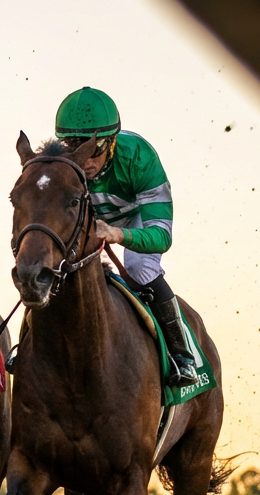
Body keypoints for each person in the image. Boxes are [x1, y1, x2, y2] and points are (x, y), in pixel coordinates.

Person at [54, 86, 199, 386]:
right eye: (73, 146)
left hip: (135, 217)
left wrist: (118, 234)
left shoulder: (140, 158)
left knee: (140, 268)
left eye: (93, 148)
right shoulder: (64, 167)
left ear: (112, 141)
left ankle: (181, 355)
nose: (83, 159)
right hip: (89, 218)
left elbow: (161, 236)